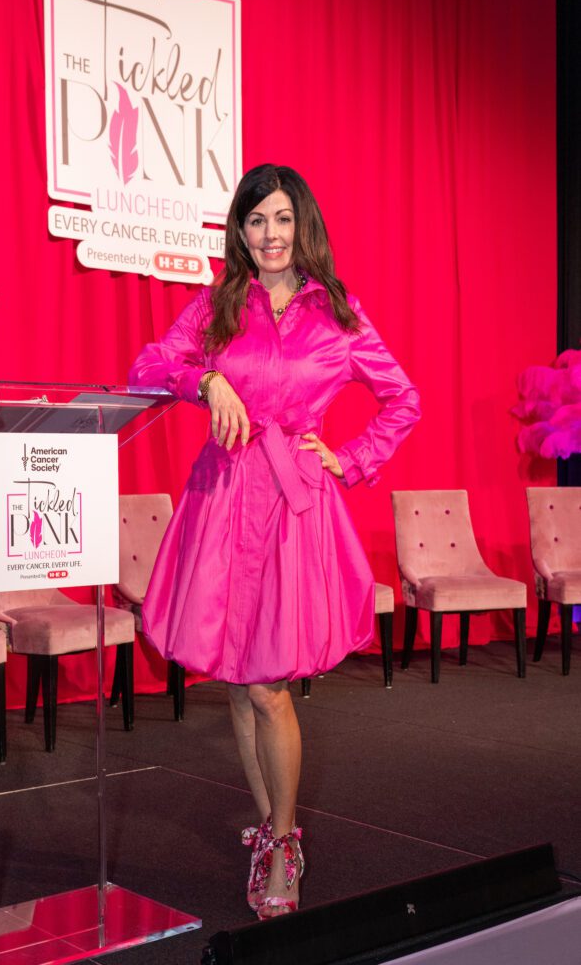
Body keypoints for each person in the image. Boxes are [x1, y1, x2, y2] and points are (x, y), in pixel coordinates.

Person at [128, 164, 421, 919]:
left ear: (303, 225)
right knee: (235, 675)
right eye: (256, 220)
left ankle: (285, 843)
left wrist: (349, 459)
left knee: (267, 683)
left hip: (292, 507)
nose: (270, 234)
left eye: (283, 219)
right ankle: (267, 826)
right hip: (222, 500)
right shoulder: (218, 303)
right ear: (241, 229)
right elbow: (148, 365)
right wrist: (205, 383)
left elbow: (402, 398)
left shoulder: (338, 313)